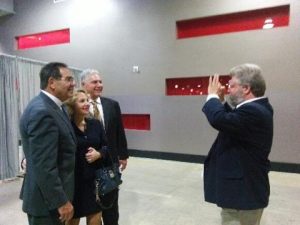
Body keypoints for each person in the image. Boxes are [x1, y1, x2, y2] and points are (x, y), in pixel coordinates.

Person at [202, 64, 274, 225]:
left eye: (232, 86)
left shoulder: (254, 111)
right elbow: (233, 121)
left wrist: (212, 96)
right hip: (241, 193)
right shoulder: (257, 108)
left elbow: (219, 120)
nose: (228, 90)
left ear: (246, 88)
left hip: (243, 196)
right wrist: (221, 102)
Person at [19, 62, 76, 225]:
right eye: (69, 79)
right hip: (47, 204)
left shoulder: (57, 107)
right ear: (51, 82)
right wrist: (60, 201)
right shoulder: (43, 112)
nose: (73, 84)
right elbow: (44, 165)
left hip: (50, 200)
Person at [80, 69, 129, 225]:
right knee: (91, 208)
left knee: (111, 206)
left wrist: (123, 155)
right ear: (83, 84)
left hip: (110, 163)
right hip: (86, 164)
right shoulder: (77, 106)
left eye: (100, 82)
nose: (99, 85)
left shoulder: (112, 105)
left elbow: (119, 131)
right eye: (94, 82)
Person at [64, 89, 107, 225]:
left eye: (87, 100)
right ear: (72, 105)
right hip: (73, 184)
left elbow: (107, 147)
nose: (87, 104)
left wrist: (99, 154)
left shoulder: (95, 124)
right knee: (72, 221)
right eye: (82, 101)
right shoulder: (66, 126)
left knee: (95, 220)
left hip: (94, 182)